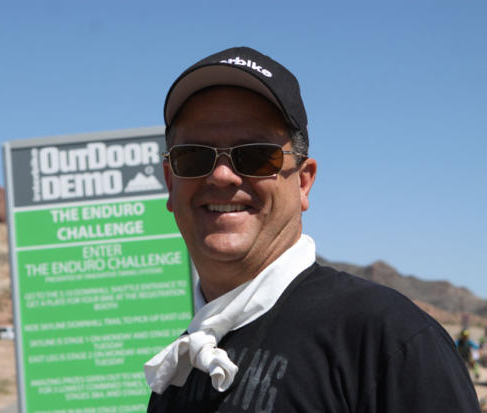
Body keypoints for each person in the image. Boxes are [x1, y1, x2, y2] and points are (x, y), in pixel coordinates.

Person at [145, 46, 480, 412]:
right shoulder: (179, 370)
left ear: (303, 183)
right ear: (171, 184)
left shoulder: (386, 341)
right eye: (194, 156)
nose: (222, 175)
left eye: (255, 156)